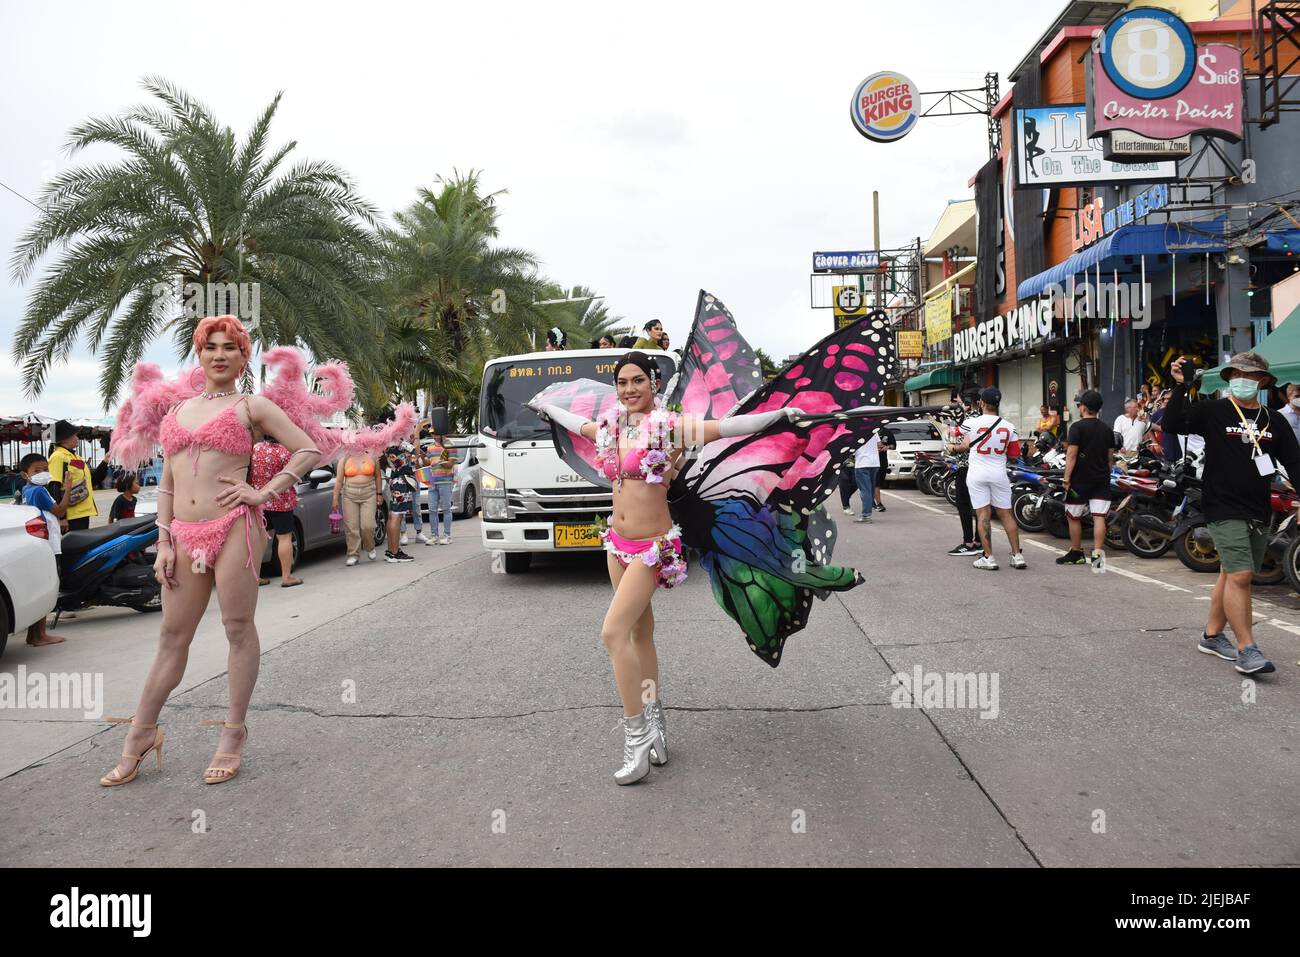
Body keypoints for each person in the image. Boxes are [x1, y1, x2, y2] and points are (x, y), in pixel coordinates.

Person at [535, 352, 810, 785]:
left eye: (638, 381)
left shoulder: (668, 425)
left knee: (612, 633)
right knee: (640, 634)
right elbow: (578, 425)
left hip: (651, 547)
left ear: (654, 383)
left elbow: (726, 429)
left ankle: (638, 736)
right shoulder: (612, 426)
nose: (629, 389)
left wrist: (778, 416)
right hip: (617, 544)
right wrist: (548, 407)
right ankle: (658, 724)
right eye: (622, 382)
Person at [99, 317, 327, 787]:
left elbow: (307, 449)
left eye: (230, 347)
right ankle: (141, 734)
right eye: (210, 347)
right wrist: (162, 542)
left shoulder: (253, 405)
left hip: (235, 528)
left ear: (244, 357)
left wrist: (263, 492)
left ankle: (233, 733)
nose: (219, 355)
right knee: (171, 637)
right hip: (182, 534)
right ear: (199, 355)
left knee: (237, 627)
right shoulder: (177, 411)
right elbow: (166, 485)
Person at [1163, 351, 1300, 676]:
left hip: (1258, 508)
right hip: (1222, 504)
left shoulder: (1273, 420)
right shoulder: (1213, 411)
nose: (1243, 380)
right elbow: (1171, 424)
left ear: (1264, 381)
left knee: (1232, 572)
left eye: (1251, 376)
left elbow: (1294, 463)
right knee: (1240, 576)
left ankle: (1211, 635)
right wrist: (1181, 386)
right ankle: (1247, 648)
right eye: (1237, 374)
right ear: (1228, 378)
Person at [951, 387, 1027, 570]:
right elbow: (1015, 454)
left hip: (977, 474)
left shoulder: (972, 423)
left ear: (981, 403)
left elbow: (960, 440)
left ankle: (989, 557)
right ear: (998, 404)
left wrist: (952, 447)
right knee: (1005, 514)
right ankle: (1017, 556)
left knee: (983, 514)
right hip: (999, 474)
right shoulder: (1009, 426)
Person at [1056, 390, 1116, 568]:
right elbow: (1109, 458)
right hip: (1101, 479)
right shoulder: (1107, 429)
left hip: (1079, 481)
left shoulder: (1076, 427)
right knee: (1099, 517)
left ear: (1083, 407)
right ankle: (1098, 559)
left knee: (1073, 516)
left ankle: (1076, 553)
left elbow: (1071, 455)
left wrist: (1066, 478)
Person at [18, 453, 68, 646]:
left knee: (38, 585)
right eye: (37, 471)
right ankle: (40, 635)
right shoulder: (39, 491)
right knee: (47, 585)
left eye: (45, 469)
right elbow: (60, 510)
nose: (43, 473)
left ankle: (35, 634)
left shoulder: (27, 489)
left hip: (38, 542)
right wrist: (69, 487)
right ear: (25, 474)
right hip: (47, 544)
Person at [250, 436, 303, 588]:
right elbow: (294, 476)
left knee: (258, 539)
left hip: (259, 500)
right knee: (284, 538)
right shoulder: (285, 452)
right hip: (281, 500)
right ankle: (286, 577)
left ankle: (255, 577)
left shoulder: (255, 449)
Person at [946, 392, 981, 557]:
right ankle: (980, 541)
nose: (956, 406)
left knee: (963, 503)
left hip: (965, 467)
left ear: (967, 404)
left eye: (958, 402)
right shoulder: (985, 419)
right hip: (982, 466)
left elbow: (960, 444)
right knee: (981, 505)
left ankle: (968, 543)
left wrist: (952, 447)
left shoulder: (967, 421)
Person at [332, 448, 381, 566]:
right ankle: (353, 554)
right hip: (349, 495)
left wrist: (379, 494)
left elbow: (378, 476)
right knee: (351, 527)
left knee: (367, 525)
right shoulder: (344, 459)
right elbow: (339, 481)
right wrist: (335, 498)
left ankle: (370, 547)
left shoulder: (372, 456)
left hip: (369, 493)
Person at [47, 419, 97, 531]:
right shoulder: (58, 457)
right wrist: (62, 517)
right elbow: (54, 487)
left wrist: (105, 462)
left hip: (82, 514)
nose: (77, 438)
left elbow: (91, 481)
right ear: (65, 439)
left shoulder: (75, 457)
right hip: (71, 517)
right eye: (75, 436)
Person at [380, 442, 419, 562]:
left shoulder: (387, 447)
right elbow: (414, 454)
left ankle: (391, 551)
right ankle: (395, 553)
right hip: (401, 484)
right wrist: (416, 432)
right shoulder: (398, 446)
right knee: (396, 517)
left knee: (392, 516)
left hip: (395, 483)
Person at [427, 436, 456, 545]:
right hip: (432, 482)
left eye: (435, 433)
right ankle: (434, 536)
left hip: (446, 481)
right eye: (432, 433)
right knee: (432, 510)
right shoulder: (430, 447)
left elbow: (450, 464)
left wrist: (439, 462)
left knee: (446, 509)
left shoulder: (450, 445)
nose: (433, 435)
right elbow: (426, 462)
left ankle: (447, 536)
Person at [852, 428, 881, 524]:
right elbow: (879, 445)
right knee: (870, 489)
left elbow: (851, 448)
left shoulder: (856, 431)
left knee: (865, 490)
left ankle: (866, 515)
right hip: (875, 463)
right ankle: (868, 513)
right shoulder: (874, 429)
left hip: (862, 463)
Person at [873, 426, 894, 512]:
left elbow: (893, 445)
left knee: (879, 482)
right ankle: (879, 503)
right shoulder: (871, 431)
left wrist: (887, 447)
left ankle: (872, 501)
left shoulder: (887, 432)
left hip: (882, 460)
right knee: (876, 483)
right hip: (872, 461)